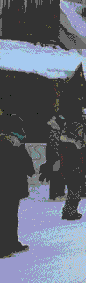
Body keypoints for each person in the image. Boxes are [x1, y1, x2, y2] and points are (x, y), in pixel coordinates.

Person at [0, 110, 34, 258]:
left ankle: (12, 243)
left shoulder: (17, 145)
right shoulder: (5, 145)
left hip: (13, 187)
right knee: (5, 216)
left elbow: (27, 165)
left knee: (11, 216)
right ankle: (3, 247)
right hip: (6, 187)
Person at [59, 113, 86, 221]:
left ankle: (68, 211)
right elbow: (71, 156)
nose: (81, 132)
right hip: (72, 168)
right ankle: (70, 212)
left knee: (74, 191)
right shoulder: (71, 142)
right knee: (74, 191)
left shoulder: (75, 140)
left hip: (73, 167)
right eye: (80, 129)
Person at [44, 114, 65, 200]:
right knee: (56, 175)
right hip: (55, 156)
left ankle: (59, 193)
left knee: (58, 175)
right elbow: (54, 145)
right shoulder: (53, 131)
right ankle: (55, 194)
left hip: (56, 155)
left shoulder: (56, 130)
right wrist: (57, 155)